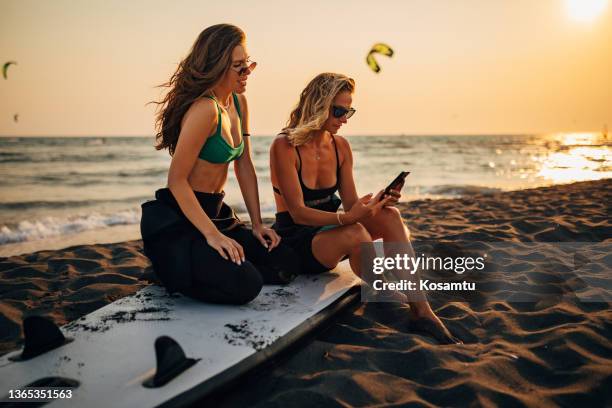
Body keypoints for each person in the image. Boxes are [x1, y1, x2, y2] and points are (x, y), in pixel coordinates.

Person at [270, 73, 460, 344]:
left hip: (333, 225)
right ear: (318, 105)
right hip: (299, 237)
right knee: (356, 233)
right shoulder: (285, 145)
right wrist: (349, 217)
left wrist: (378, 203)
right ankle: (392, 288)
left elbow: (350, 203)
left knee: (390, 216)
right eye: (339, 111)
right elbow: (299, 212)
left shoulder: (341, 147)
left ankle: (422, 310)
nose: (345, 119)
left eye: (349, 111)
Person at [141, 24, 299, 305]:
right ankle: (171, 268)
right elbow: (176, 181)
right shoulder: (205, 110)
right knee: (247, 284)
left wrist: (257, 224)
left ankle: (199, 266)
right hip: (184, 217)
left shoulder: (238, 103)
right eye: (239, 67)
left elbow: (244, 165)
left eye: (248, 64)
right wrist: (212, 236)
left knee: (285, 262)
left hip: (219, 213)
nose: (247, 72)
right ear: (217, 67)